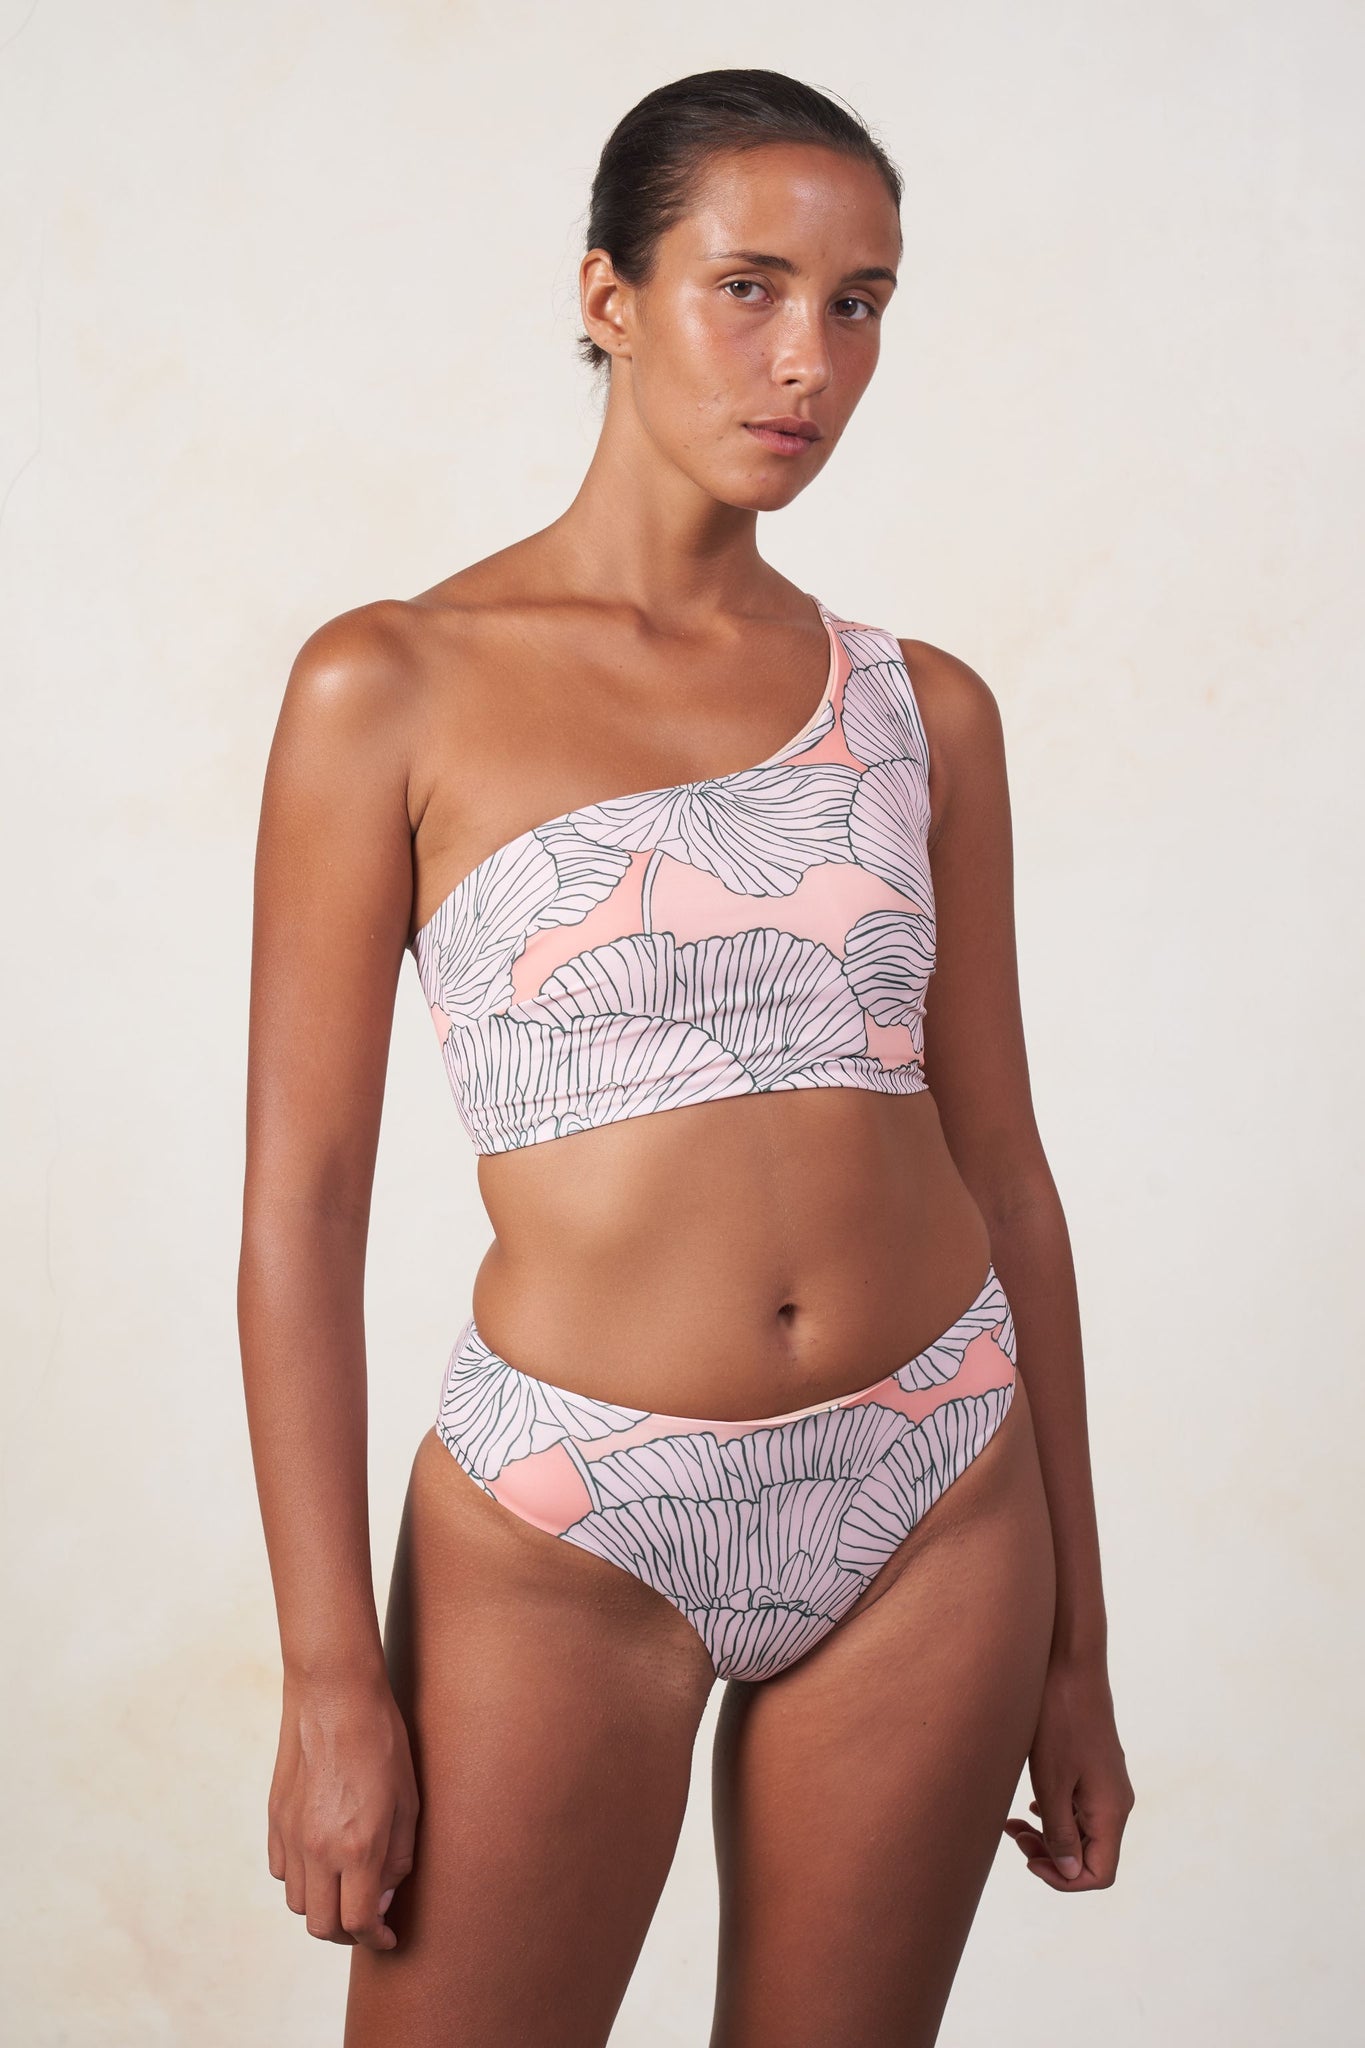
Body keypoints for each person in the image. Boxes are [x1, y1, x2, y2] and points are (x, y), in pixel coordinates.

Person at [238, 66, 1134, 2048]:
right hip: (572, 1515)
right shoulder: (390, 684)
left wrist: (1078, 1645)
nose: (808, 358)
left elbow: (1004, 1173)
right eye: (749, 286)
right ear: (607, 296)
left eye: (858, 303)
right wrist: (327, 1674)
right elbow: (301, 1208)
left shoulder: (925, 713)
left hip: (935, 1490)